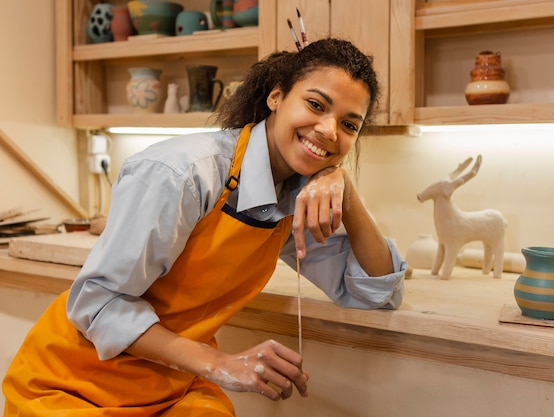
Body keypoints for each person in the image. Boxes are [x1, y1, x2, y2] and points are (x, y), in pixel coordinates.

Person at [2, 37, 406, 416]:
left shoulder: (297, 195)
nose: (329, 131)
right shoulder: (179, 173)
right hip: (71, 382)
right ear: (277, 96)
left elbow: (376, 290)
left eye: (349, 125)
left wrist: (346, 189)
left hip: (169, 385)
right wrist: (222, 363)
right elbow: (98, 305)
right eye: (316, 105)